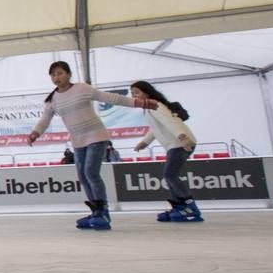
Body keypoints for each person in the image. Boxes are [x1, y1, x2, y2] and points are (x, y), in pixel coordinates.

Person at [27, 60, 156, 230]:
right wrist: (35, 133)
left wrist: (140, 103)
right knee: (82, 175)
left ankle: (103, 212)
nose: (56, 77)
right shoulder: (53, 99)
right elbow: (45, 120)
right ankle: (96, 211)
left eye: (60, 73)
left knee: (91, 172)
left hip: (96, 136)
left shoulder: (82, 88)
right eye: (53, 74)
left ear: (68, 74)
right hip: (78, 140)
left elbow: (111, 98)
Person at [130, 80, 201, 222]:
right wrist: (144, 142)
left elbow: (170, 122)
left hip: (180, 143)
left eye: (137, 92)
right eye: (132, 94)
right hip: (174, 145)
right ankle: (180, 208)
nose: (134, 96)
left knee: (170, 175)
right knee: (170, 176)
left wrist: (183, 137)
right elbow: (156, 128)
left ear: (147, 92)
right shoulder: (149, 109)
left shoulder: (156, 106)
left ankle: (190, 207)